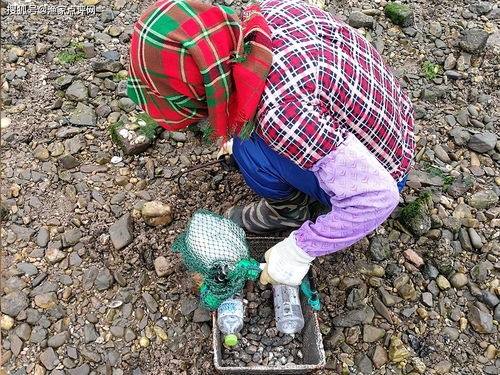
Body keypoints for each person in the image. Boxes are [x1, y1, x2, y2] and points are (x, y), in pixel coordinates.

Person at [127, 0, 415, 287]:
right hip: (390, 128)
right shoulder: (266, 13)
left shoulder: (281, 113)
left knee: (247, 146)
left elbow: (377, 198)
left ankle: (287, 213)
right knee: (246, 135)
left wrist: (298, 252)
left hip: (382, 174)